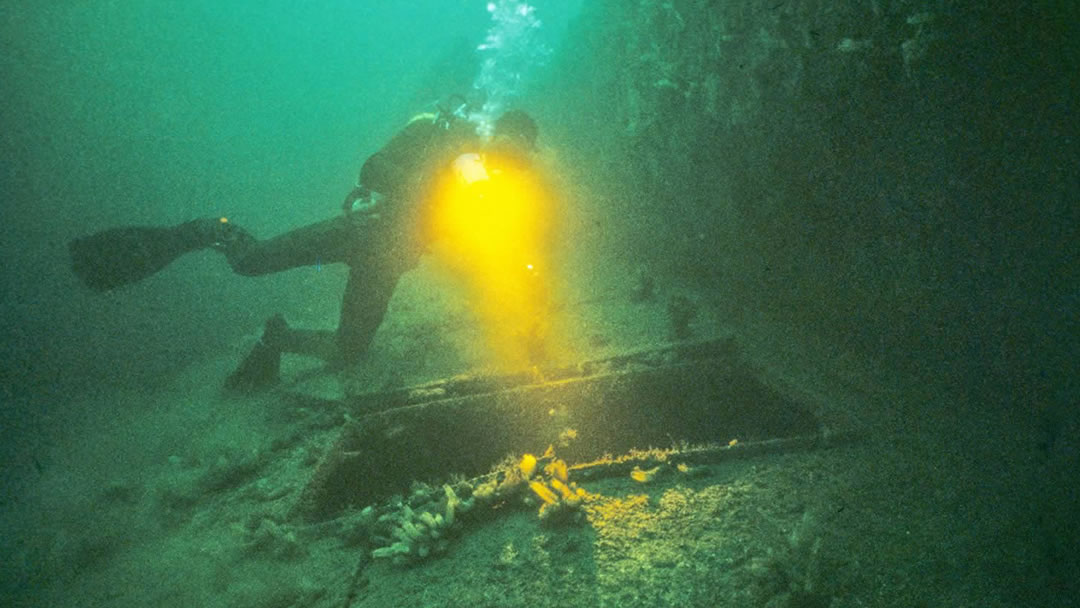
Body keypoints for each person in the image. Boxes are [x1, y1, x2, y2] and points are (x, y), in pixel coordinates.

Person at [69, 106, 546, 391]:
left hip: (385, 265)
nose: (509, 163)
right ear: (493, 133)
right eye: (507, 149)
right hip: (353, 233)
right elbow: (373, 167)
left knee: (350, 351)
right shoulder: (438, 137)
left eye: (518, 159)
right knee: (249, 263)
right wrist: (425, 191)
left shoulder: (495, 189)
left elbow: (491, 248)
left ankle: (277, 337)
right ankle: (198, 232)